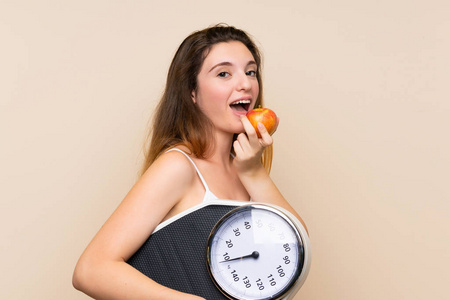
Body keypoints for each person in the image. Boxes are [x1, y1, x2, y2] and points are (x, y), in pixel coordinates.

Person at [72, 24, 306, 300]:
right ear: (192, 93)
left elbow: (298, 252)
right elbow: (90, 270)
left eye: (250, 72)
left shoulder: (245, 168)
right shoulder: (179, 166)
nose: (245, 83)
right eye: (223, 73)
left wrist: (255, 174)